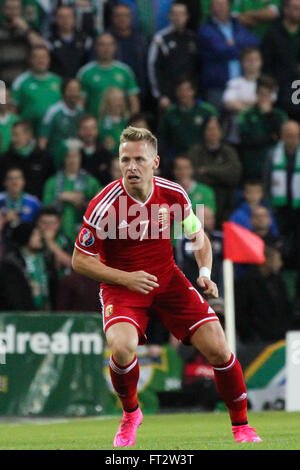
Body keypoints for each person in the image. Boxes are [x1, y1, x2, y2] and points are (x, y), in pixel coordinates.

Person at [72, 126, 262, 446]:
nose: (131, 166)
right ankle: (131, 413)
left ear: (155, 162)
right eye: (125, 160)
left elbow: (198, 237)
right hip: (123, 286)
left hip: (168, 280)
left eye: (139, 159)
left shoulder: (173, 194)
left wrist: (204, 271)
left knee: (218, 346)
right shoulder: (103, 204)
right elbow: (79, 260)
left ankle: (241, 426)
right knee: (121, 348)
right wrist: (125, 278)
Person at [198, 0, 260, 108]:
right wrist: (240, 48)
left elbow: (254, 41)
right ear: (211, 8)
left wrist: (232, 44)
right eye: (217, 5)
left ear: (229, 6)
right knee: (218, 121)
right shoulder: (205, 29)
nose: (220, 8)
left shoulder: (237, 25)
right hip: (218, 86)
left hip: (241, 84)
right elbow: (220, 50)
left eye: (223, 4)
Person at [265, 120, 300, 306]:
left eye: (295, 136)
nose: (291, 139)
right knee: (281, 252)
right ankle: (283, 297)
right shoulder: (273, 155)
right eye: (288, 135)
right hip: (279, 212)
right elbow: (266, 183)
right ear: (282, 136)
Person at [188, 116, 242, 228]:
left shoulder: (229, 151)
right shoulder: (196, 151)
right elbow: (195, 175)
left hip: (226, 201)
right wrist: (221, 174)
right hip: (202, 201)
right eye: (209, 129)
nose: (212, 132)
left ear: (221, 132)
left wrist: (208, 170)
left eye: (215, 129)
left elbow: (234, 175)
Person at [43, 140, 100, 243]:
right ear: (63, 159)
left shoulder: (91, 182)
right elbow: (46, 210)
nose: (72, 160)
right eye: (68, 156)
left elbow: (100, 210)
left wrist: (83, 204)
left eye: (76, 156)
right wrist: (61, 197)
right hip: (57, 237)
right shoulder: (52, 183)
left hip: (86, 236)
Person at [235, 245, 292, 343]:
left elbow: (285, 308)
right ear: (266, 260)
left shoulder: (278, 281)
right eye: (278, 260)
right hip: (255, 340)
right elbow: (242, 312)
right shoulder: (246, 282)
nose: (280, 264)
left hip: (279, 337)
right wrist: (250, 335)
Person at [148, 2, 199, 108]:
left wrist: (195, 91)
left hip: (190, 96)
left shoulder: (192, 38)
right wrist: (160, 95)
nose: (178, 18)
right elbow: (153, 66)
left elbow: (197, 67)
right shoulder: (160, 39)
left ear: (187, 17)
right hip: (168, 97)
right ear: (169, 16)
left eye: (181, 14)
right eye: (175, 14)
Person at [237, 75, 288, 181]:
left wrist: (268, 115)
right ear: (256, 93)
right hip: (252, 164)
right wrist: (270, 137)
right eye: (261, 94)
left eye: (267, 94)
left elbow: (281, 139)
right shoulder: (246, 115)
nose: (264, 98)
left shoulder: (280, 115)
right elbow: (247, 139)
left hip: (275, 165)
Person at [77, 32, 140, 117]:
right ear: (96, 47)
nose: (106, 49)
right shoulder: (85, 72)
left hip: (121, 126)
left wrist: (132, 123)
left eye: (110, 45)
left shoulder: (125, 71)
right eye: (102, 45)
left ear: (115, 47)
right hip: (95, 126)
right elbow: (80, 103)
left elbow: (133, 101)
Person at [158, 78, 217, 158]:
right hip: (178, 157)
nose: (183, 93)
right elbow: (163, 138)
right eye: (180, 90)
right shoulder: (170, 113)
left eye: (186, 90)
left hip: (203, 157)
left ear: (193, 91)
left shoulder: (207, 111)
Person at [11, 45, 62, 135]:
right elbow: (13, 111)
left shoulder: (58, 81)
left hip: (54, 133)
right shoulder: (20, 82)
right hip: (30, 134)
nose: (41, 61)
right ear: (30, 60)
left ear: (49, 59)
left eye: (44, 57)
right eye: (37, 57)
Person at [0, 223, 52, 311]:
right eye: (35, 234)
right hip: (22, 313)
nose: (40, 237)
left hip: (47, 312)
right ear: (25, 236)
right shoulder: (12, 263)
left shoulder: (47, 259)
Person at [1, 120, 55, 199]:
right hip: (10, 206)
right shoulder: (5, 159)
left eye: (16, 135)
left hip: (36, 206)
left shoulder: (43, 158)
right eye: (12, 135)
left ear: (28, 135)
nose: (13, 139)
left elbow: (50, 183)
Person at [39, 78, 84, 169]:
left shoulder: (81, 111)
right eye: (71, 90)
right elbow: (42, 141)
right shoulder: (53, 112)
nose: (74, 94)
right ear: (63, 92)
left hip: (77, 160)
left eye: (76, 90)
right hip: (55, 161)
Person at [262, 0, 300, 107]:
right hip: (277, 84)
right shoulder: (272, 32)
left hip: (297, 84)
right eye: (296, 8)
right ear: (285, 9)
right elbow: (266, 63)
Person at [222, 46, 263, 145]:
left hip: (262, 132)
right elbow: (228, 103)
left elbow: (267, 103)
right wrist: (254, 105)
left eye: (255, 59)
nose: (252, 63)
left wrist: (242, 103)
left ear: (261, 62)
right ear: (242, 63)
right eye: (249, 60)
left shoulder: (266, 82)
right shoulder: (234, 83)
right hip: (239, 134)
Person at [109, 3, 149, 102]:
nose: (122, 19)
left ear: (131, 18)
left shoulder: (142, 40)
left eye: (126, 15)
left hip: (140, 93)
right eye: (118, 16)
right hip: (114, 94)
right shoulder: (106, 40)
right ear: (112, 18)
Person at [46, 5, 93, 78]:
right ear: (55, 19)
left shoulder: (85, 40)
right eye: (61, 17)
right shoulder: (49, 42)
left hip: (80, 82)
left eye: (68, 16)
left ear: (74, 19)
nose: (65, 20)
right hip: (58, 82)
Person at [0, 167, 41, 232]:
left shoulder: (34, 202)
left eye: (17, 178)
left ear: (23, 181)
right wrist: (5, 220)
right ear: (5, 182)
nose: (14, 182)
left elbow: (40, 224)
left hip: (25, 239)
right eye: (10, 179)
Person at [98, 87, 129, 156]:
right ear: (108, 102)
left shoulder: (128, 121)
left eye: (121, 100)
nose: (119, 103)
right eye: (115, 100)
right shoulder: (102, 123)